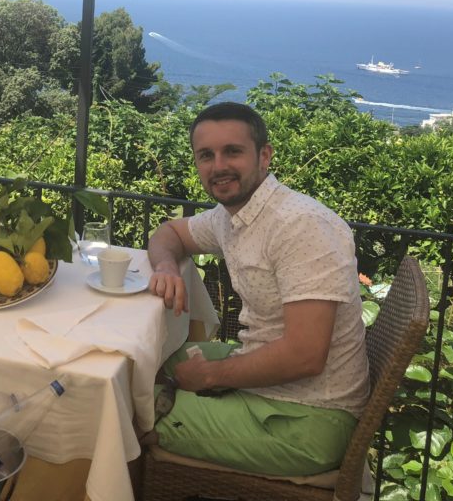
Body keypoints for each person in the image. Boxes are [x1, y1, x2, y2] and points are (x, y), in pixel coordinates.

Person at [146, 101, 369, 477]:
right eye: (206, 155)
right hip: (273, 383)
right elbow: (168, 233)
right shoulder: (231, 216)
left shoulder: (299, 226)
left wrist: (213, 375)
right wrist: (167, 266)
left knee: (126, 408)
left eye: (232, 151)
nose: (218, 166)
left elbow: (305, 356)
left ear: (264, 156)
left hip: (306, 419)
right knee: (149, 358)